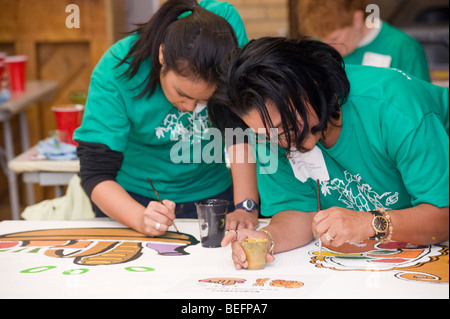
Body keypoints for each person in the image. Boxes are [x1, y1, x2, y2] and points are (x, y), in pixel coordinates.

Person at [210, 37, 449, 270]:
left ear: (311, 85)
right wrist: (265, 239)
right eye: (267, 135)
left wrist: (370, 223)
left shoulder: (393, 107)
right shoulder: (267, 131)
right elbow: (298, 211)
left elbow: (443, 216)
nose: (282, 142)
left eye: (285, 125)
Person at [73, 0, 260, 237]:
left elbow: (238, 125)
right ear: (162, 56)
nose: (190, 109)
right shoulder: (116, 70)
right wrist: (141, 218)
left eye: (204, 100)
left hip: (214, 196)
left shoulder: (224, 29)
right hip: (134, 200)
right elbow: (95, 173)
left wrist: (246, 206)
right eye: (182, 94)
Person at [297, 0, 431, 82]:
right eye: (321, 39)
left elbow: (423, 107)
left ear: (357, 19)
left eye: (334, 39)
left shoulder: (403, 48)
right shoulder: (318, 46)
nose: (327, 47)